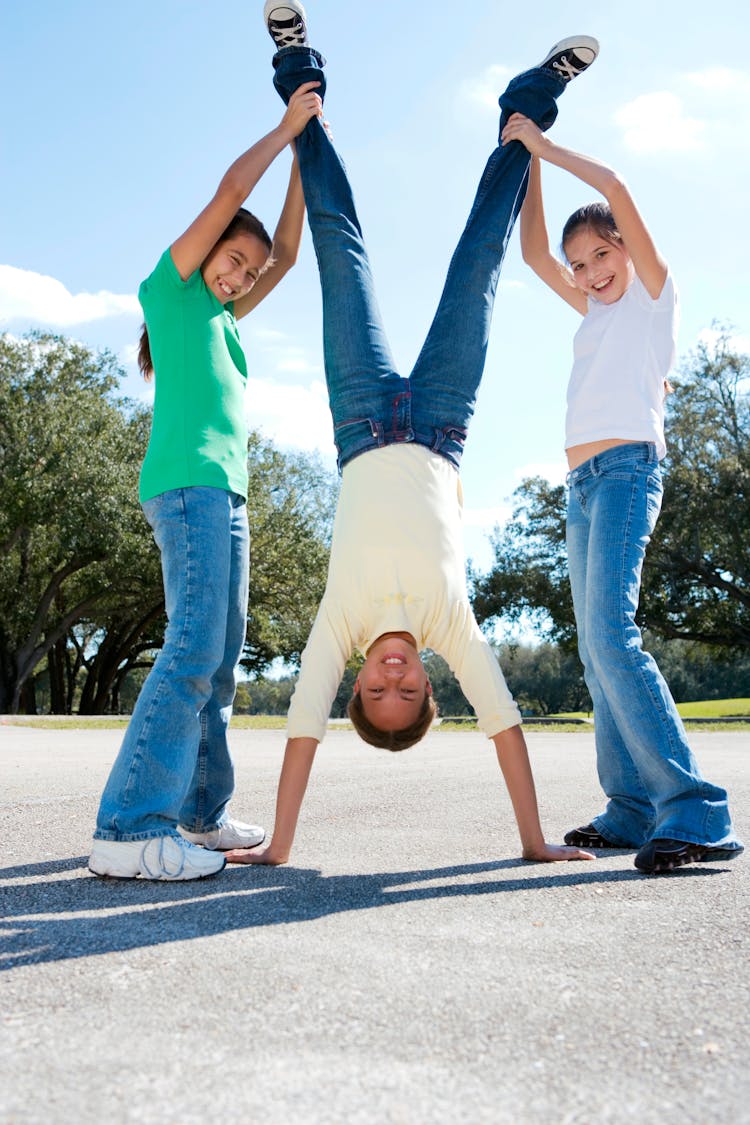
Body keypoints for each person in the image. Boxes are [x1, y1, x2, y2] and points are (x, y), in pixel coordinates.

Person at [228, 3, 601, 868]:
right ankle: (530, 106)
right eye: (406, 691)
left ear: (355, 680)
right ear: (429, 685)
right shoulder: (453, 624)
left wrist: (281, 844)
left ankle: (298, 77)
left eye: (375, 689)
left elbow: (297, 734)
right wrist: (534, 842)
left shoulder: (338, 625)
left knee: (338, 247)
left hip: (359, 417)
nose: (391, 677)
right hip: (441, 420)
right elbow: (506, 728)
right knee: (480, 261)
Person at [88, 82, 324, 881]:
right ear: (207, 249)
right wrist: (283, 126)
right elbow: (230, 193)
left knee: (221, 657)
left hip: (226, 495)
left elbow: (287, 253)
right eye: (233, 260)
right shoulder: (174, 292)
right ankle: (128, 825)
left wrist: (308, 154)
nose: (242, 277)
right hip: (187, 486)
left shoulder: (224, 317)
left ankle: (199, 812)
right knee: (191, 649)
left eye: (248, 274)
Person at [501, 110, 745, 874]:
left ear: (626, 251)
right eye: (581, 264)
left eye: (602, 254)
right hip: (581, 484)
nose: (590, 271)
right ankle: (633, 807)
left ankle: (696, 810)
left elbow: (614, 183)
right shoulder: (592, 312)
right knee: (596, 651)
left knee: (613, 636)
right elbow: (532, 250)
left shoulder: (651, 300)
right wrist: (524, 160)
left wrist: (547, 145)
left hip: (630, 471)